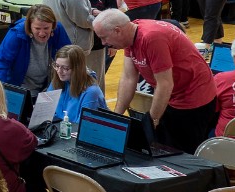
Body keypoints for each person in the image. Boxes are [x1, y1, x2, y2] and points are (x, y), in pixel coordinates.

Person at [93, 11, 218, 154]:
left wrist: (152, 121)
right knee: (162, 146)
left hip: (194, 98)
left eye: (104, 38)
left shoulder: (151, 38)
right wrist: (116, 117)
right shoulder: (129, 35)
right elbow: (128, 78)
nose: (103, 43)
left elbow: (165, 84)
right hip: (174, 95)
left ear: (117, 30)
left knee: (181, 153)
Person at [42, 0, 104, 81]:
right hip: (74, 44)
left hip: (59, 40)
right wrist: (101, 20)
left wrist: (91, 10)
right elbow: (82, 19)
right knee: (78, 82)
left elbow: (67, 8)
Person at [0, 4, 71, 94]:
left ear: (53, 25)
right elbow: (1, 63)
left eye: (46, 28)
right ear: (30, 26)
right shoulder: (17, 34)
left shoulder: (58, 30)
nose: (42, 33)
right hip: (20, 90)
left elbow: (71, 57)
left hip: (46, 89)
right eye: (37, 28)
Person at [48, 45, 108, 126]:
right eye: (57, 66)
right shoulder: (57, 82)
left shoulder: (91, 92)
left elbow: (82, 127)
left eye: (65, 68)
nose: (59, 71)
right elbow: (46, 111)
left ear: (78, 68)